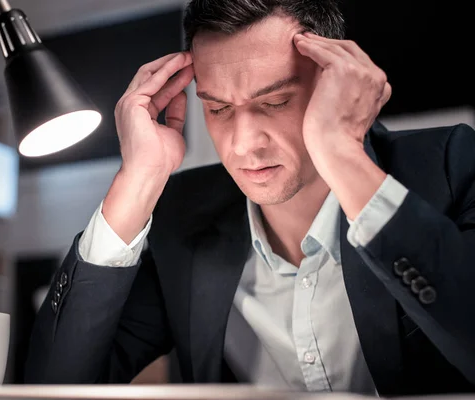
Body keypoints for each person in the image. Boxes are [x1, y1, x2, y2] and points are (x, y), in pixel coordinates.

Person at [24, 0, 475, 395]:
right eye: (218, 109)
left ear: (337, 82)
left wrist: (341, 151)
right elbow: (55, 385)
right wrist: (137, 179)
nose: (242, 145)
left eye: (275, 102)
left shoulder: (449, 166)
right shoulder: (183, 218)